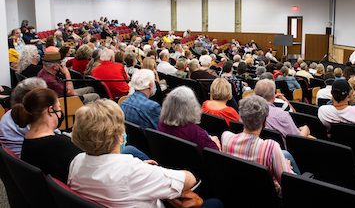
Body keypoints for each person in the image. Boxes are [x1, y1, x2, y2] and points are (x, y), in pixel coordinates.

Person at [68, 99, 221, 208]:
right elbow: (189, 179)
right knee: (216, 203)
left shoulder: (76, 161)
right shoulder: (129, 170)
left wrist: (142, 169)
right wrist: (154, 171)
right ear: (117, 135)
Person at [221, 95, 298, 196]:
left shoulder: (226, 137)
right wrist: (287, 167)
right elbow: (290, 184)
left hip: (236, 192)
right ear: (265, 121)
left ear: (242, 118)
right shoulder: (271, 147)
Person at [11, 88, 82, 183]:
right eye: (59, 107)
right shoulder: (59, 145)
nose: (61, 113)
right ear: (50, 110)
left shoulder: (28, 138)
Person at [157, 86, 221, 151]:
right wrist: (216, 143)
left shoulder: (161, 124)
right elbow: (216, 157)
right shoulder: (196, 133)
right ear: (192, 107)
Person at [254, 79, 310, 148]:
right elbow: (297, 139)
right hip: (282, 153)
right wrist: (305, 130)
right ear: (273, 96)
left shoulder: (245, 112)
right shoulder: (283, 116)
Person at [0, 78, 48, 157]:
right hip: (28, 160)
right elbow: (52, 140)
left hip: (15, 161)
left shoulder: (9, 114)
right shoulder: (29, 120)